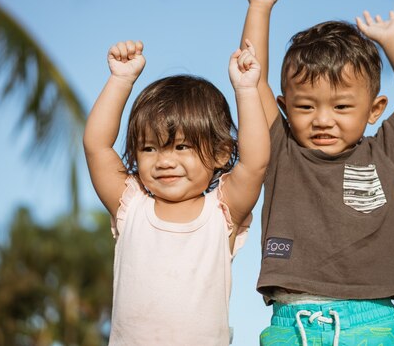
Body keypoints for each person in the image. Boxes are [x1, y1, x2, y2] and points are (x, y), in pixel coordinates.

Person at [234, 0, 394, 346]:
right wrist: (259, 7)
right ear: (285, 106)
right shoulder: (280, 148)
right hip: (291, 325)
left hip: (373, 323)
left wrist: (392, 39)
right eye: (306, 106)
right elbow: (251, 76)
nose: (323, 119)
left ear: (375, 110)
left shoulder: (386, 152)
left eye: (341, 107)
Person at [83, 39, 269, 345]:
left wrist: (246, 91)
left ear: (222, 153)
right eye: (149, 148)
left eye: (181, 146)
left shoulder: (222, 211)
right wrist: (120, 80)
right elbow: (96, 146)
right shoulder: (131, 207)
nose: (165, 161)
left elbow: (255, 163)